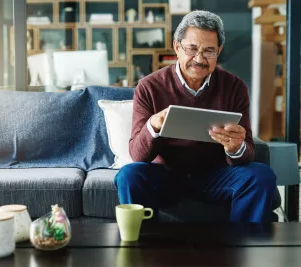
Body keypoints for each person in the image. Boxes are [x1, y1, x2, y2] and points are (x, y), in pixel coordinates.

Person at [114, 10, 277, 222]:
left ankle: (242, 247)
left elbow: (248, 153)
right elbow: (138, 155)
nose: (199, 59)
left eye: (209, 51)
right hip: (166, 175)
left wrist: (236, 148)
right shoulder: (149, 87)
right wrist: (153, 125)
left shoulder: (234, 87)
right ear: (177, 47)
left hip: (215, 176)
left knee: (261, 176)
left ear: (219, 51)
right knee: (128, 176)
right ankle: (146, 249)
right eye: (192, 49)